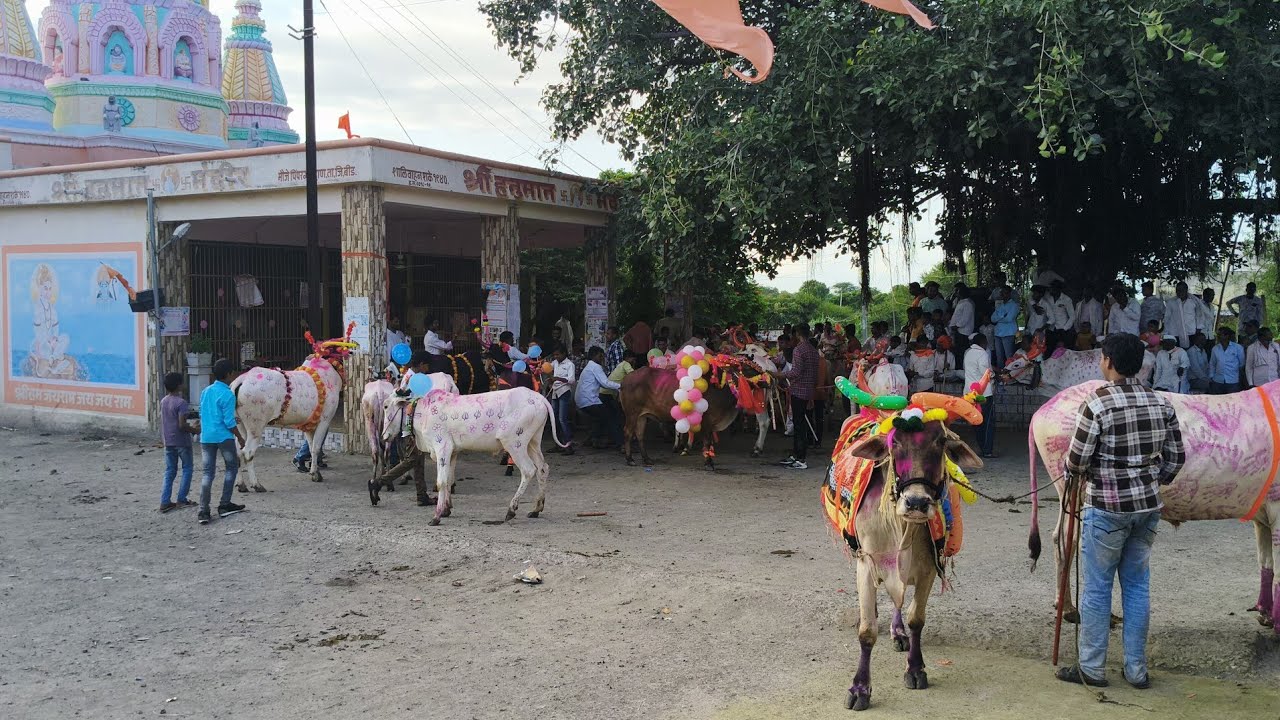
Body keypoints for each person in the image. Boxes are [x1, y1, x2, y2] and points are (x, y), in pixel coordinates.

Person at [1057, 332, 1185, 690]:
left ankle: (1092, 668)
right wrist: (1150, 479)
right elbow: (1176, 459)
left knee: (1097, 588)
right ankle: (1136, 670)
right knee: (1137, 585)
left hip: (1107, 508)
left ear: (1108, 361)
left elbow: (1077, 461)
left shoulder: (1097, 403)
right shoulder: (1160, 402)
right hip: (1147, 507)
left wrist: (1081, 473)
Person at [197, 359, 246, 525]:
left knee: (207, 473)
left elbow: (203, 413)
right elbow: (229, 422)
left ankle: (203, 510)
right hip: (223, 437)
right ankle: (225, 504)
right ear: (229, 374)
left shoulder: (206, 391)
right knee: (231, 467)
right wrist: (240, 438)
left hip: (206, 437)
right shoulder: (228, 394)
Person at [778, 323, 818, 469]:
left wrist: (780, 375)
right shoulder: (813, 350)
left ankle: (801, 458)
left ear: (797, 334)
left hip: (798, 391)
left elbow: (795, 372)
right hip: (808, 391)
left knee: (799, 425)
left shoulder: (799, 350)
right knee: (800, 423)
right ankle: (796, 454)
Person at [159, 372, 198, 512]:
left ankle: (165, 501)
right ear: (179, 385)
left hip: (168, 441)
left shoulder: (164, 401)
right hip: (182, 441)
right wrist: (194, 430)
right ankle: (182, 498)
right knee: (187, 469)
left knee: (170, 471)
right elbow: (182, 425)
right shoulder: (181, 403)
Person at [575, 346, 623, 448]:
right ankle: (621, 444)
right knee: (611, 417)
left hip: (581, 401)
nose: (602, 358)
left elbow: (602, 383)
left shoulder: (589, 367)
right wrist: (621, 386)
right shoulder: (595, 367)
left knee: (599, 418)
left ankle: (593, 439)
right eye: (600, 356)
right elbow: (605, 383)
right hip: (589, 401)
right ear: (594, 356)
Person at [964, 334, 996, 458]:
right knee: (987, 422)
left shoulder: (968, 353)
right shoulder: (983, 354)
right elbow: (985, 373)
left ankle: (982, 447)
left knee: (977, 421)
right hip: (984, 393)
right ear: (983, 342)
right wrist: (994, 375)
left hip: (970, 392)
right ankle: (987, 450)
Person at [548, 344, 576, 455]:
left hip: (564, 392)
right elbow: (546, 368)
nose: (556, 357)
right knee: (555, 419)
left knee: (562, 419)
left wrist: (558, 378)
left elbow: (572, 380)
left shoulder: (570, 365)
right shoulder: (555, 363)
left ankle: (568, 446)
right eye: (554, 355)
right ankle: (558, 444)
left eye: (558, 354)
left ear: (564, 354)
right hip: (555, 392)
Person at [1163, 282, 1206, 349]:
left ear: (1186, 290)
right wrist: (1165, 333)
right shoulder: (1171, 302)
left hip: (1190, 332)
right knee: (1175, 352)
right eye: (1178, 290)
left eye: (1182, 290)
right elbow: (1167, 318)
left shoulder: (1194, 301)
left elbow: (1199, 316)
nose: (1179, 292)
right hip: (1175, 332)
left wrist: (1198, 329)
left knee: (1190, 352)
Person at [1208, 326, 1245, 394]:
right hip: (1217, 380)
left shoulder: (1238, 348)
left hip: (1232, 380)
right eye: (1217, 335)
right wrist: (1211, 376)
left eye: (1220, 334)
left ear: (1227, 336)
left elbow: (1242, 363)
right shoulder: (1215, 348)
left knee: (1232, 400)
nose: (1218, 336)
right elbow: (1212, 363)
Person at [990, 286, 1020, 369]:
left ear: (1009, 294)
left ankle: (1010, 373)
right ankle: (1001, 373)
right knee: (999, 356)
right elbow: (992, 319)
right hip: (998, 333)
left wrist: (999, 318)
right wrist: (1002, 316)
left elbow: (1009, 318)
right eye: (1001, 293)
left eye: (1005, 292)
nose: (1002, 294)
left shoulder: (1014, 305)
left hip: (1008, 333)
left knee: (1009, 356)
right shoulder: (1000, 305)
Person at [1048, 281, 1077, 350]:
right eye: (1051, 288)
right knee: (1050, 350)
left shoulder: (1067, 299)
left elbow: (1072, 316)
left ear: (1058, 289)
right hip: (1051, 329)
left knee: (1062, 351)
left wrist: (1065, 328)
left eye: (1053, 288)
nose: (1051, 290)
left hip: (1062, 330)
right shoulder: (1048, 298)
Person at [949, 285, 976, 355]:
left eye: (957, 290)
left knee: (962, 351)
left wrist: (956, 326)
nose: (955, 292)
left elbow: (965, 318)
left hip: (964, 332)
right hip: (958, 330)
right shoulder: (961, 302)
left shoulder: (968, 303)